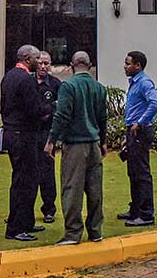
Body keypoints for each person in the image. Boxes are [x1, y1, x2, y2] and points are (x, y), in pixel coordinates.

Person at [45, 51, 107, 246]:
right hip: (94, 143)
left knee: (72, 188)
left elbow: (61, 115)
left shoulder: (69, 86)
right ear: (89, 65)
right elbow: (103, 117)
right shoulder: (99, 88)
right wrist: (103, 141)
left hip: (75, 144)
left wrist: (51, 140)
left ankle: (73, 233)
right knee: (95, 189)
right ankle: (95, 230)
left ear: (72, 65)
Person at [0, 44, 51, 242]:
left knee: (23, 179)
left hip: (12, 132)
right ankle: (16, 228)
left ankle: (26, 221)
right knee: (24, 182)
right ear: (27, 59)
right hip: (24, 135)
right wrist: (50, 108)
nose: (39, 63)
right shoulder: (25, 80)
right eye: (37, 59)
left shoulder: (8, 77)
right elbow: (34, 109)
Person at [118, 50, 157, 227]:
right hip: (133, 131)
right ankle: (135, 208)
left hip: (140, 131)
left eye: (128, 63)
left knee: (141, 173)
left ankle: (146, 214)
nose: (125, 66)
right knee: (133, 172)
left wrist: (140, 122)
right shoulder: (134, 83)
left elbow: (155, 104)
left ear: (138, 65)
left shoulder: (144, 83)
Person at [35, 51, 62, 224]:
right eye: (41, 63)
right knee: (27, 173)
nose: (43, 67)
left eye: (47, 63)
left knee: (47, 173)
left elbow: (60, 109)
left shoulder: (55, 84)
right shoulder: (28, 82)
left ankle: (49, 209)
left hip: (46, 133)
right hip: (30, 133)